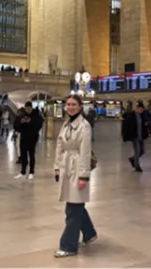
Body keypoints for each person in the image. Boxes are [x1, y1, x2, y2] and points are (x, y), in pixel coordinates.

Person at [53, 95, 96, 258]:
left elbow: (85, 153)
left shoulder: (84, 126)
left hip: (77, 167)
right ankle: (89, 232)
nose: (70, 107)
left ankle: (68, 245)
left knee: (73, 209)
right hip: (67, 167)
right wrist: (57, 166)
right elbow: (60, 145)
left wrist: (83, 176)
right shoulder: (67, 124)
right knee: (75, 205)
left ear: (80, 107)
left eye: (74, 104)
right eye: (68, 104)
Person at [14, 102, 43, 180]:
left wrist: (30, 122)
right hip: (23, 137)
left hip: (32, 138)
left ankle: (31, 172)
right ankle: (23, 172)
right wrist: (21, 122)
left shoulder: (36, 116)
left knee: (31, 155)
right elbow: (16, 126)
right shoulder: (21, 115)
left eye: (29, 109)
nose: (28, 110)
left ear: (31, 108)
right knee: (23, 155)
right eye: (27, 109)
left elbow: (39, 125)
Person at [121, 104, 147, 172]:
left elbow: (144, 125)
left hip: (141, 136)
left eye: (142, 110)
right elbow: (126, 126)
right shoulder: (131, 116)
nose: (141, 111)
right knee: (137, 151)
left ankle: (133, 159)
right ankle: (137, 166)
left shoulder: (142, 116)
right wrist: (125, 135)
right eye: (141, 110)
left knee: (142, 151)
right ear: (137, 108)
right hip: (134, 136)